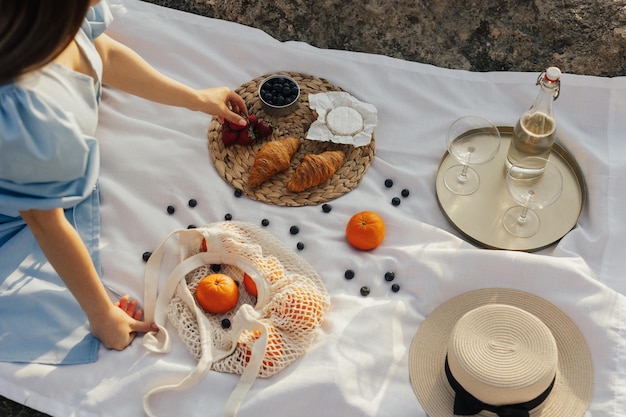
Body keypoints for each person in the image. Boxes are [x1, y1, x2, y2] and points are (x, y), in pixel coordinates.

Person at [0, 0, 248, 359]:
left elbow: (104, 55)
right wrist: (101, 315)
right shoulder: (26, 116)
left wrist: (197, 99)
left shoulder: (54, 22)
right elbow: (43, 219)